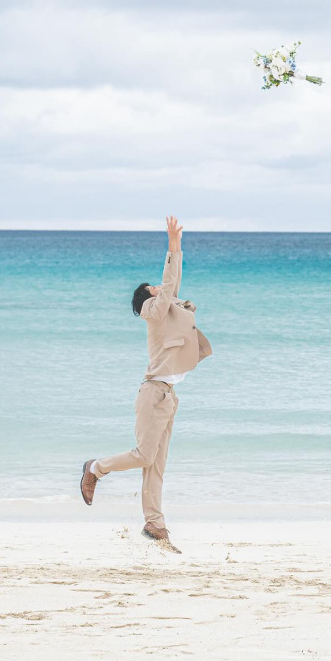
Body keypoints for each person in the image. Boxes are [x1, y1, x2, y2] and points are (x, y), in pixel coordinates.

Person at [80, 216, 212, 552]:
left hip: (167, 396)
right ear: (148, 297)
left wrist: (178, 248)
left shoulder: (164, 311)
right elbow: (168, 286)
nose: (162, 288)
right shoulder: (151, 313)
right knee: (143, 455)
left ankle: (154, 525)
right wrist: (171, 248)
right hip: (153, 394)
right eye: (155, 288)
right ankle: (95, 468)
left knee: (156, 466)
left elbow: (173, 284)